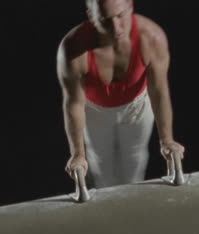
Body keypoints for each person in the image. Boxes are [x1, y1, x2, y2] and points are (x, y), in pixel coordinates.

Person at [56, 0, 185, 188]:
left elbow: (158, 90)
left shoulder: (151, 37)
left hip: (137, 107)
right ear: (91, 16)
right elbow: (73, 104)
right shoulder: (73, 48)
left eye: (120, 16)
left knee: (134, 160)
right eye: (105, 20)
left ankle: (131, 205)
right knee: (101, 166)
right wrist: (77, 154)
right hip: (94, 112)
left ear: (131, 6)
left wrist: (166, 139)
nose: (116, 27)